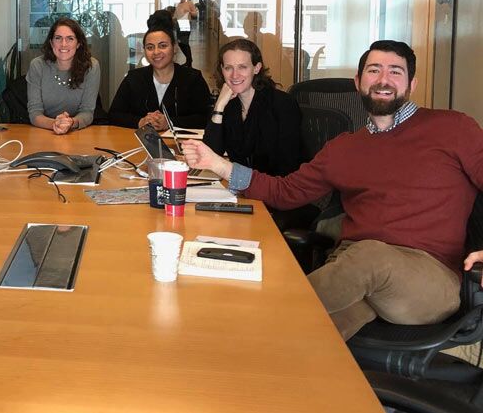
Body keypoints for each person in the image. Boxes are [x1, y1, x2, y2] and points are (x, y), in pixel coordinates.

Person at [183, 40, 483, 340]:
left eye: (395, 72)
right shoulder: (344, 148)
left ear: (411, 84)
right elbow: (285, 192)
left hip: (428, 278)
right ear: (358, 81)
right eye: (374, 70)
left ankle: (253, 317)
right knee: (304, 341)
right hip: (357, 275)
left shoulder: (453, 128)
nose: (383, 80)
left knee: (366, 258)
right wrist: (219, 166)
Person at [204, 38, 302, 178]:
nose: (234, 75)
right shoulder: (229, 104)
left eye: (242, 67)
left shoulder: (281, 104)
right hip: (243, 185)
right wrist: (219, 107)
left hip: (276, 189)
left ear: (256, 68)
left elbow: (287, 165)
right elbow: (211, 154)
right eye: (228, 68)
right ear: (222, 70)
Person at [108, 11, 212, 130]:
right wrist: (140, 122)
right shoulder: (133, 78)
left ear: (175, 48)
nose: (156, 52)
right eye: (150, 47)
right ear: (145, 51)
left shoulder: (192, 78)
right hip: (139, 144)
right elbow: (114, 115)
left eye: (163, 46)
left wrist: (170, 123)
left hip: (183, 145)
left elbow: (205, 118)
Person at [26, 17, 101, 134]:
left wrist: (71, 123)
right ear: (51, 43)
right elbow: (35, 113)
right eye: (58, 38)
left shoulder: (91, 67)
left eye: (70, 39)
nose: (63, 44)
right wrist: (55, 124)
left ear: (78, 43)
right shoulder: (37, 66)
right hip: (43, 132)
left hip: (78, 133)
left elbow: (87, 112)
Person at [173, 0, 198, 67]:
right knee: (181, 43)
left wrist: (189, 11)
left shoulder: (190, 3)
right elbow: (175, 15)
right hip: (178, 23)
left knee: (184, 42)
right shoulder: (179, 4)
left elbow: (195, 14)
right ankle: (188, 60)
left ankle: (189, 60)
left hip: (185, 23)